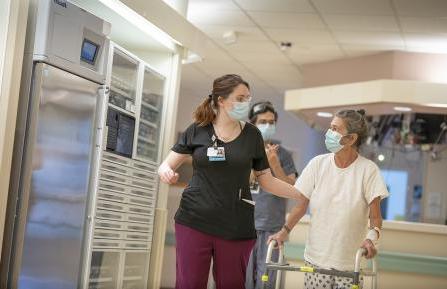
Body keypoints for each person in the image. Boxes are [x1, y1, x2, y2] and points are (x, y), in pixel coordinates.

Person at [157, 74, 302, 289]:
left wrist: (301, 193)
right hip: (194, 220)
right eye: (240, 98)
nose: (246, 104)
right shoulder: (198, 130)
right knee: (190, 283)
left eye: (248, 98)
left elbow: (267, 180)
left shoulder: (252, 135)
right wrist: (167, 172)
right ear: (221, 100)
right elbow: (165, 165)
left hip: (236, 226)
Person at [268, 109, 389, 289]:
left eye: (335, 129)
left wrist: (371, 239)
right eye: (330, 128)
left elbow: (375, 217)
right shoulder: (318, 164)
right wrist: (284, 231)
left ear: (351, 139)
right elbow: (301, 205)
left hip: (349, 264)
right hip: (317, 259)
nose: (328, 133)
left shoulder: (368, 170)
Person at [245, 101, 298, 289]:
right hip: (243, 226)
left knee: (267, 281)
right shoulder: (242, 150)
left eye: (271, 122)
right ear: (252, 123)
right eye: (263, 121)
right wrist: (261, 162)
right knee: (241, 280)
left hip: (272, 229)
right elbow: (236, 182)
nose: (268, 125)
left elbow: (292, 188)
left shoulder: (283, 154)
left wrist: (274, 164)